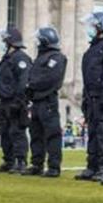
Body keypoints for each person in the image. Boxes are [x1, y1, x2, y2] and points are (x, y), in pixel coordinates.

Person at [77, 13, 103, 182]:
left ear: (100, 27)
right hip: (92, 96)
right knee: (93, 131)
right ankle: (92, 165)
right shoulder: (92, 49)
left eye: (92, 26)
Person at [25, 26, 67, 177]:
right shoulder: (40, 57)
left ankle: (54, 166)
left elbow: (51, 79)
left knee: (52, 134)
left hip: (47, 100)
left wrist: (32, 85)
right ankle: (37, 164)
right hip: (36, 101)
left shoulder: (56, 57)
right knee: (35, 133)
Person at [0, 28, 32, 173]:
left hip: (15, 101)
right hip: (4, 100)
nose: (2, 44)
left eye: (4, 41)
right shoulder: (7, 59)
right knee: (5, 131)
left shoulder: (20, 58)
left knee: (17, 131)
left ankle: (21, 160)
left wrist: (19, 100)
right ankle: (8, 160)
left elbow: (23, 81)